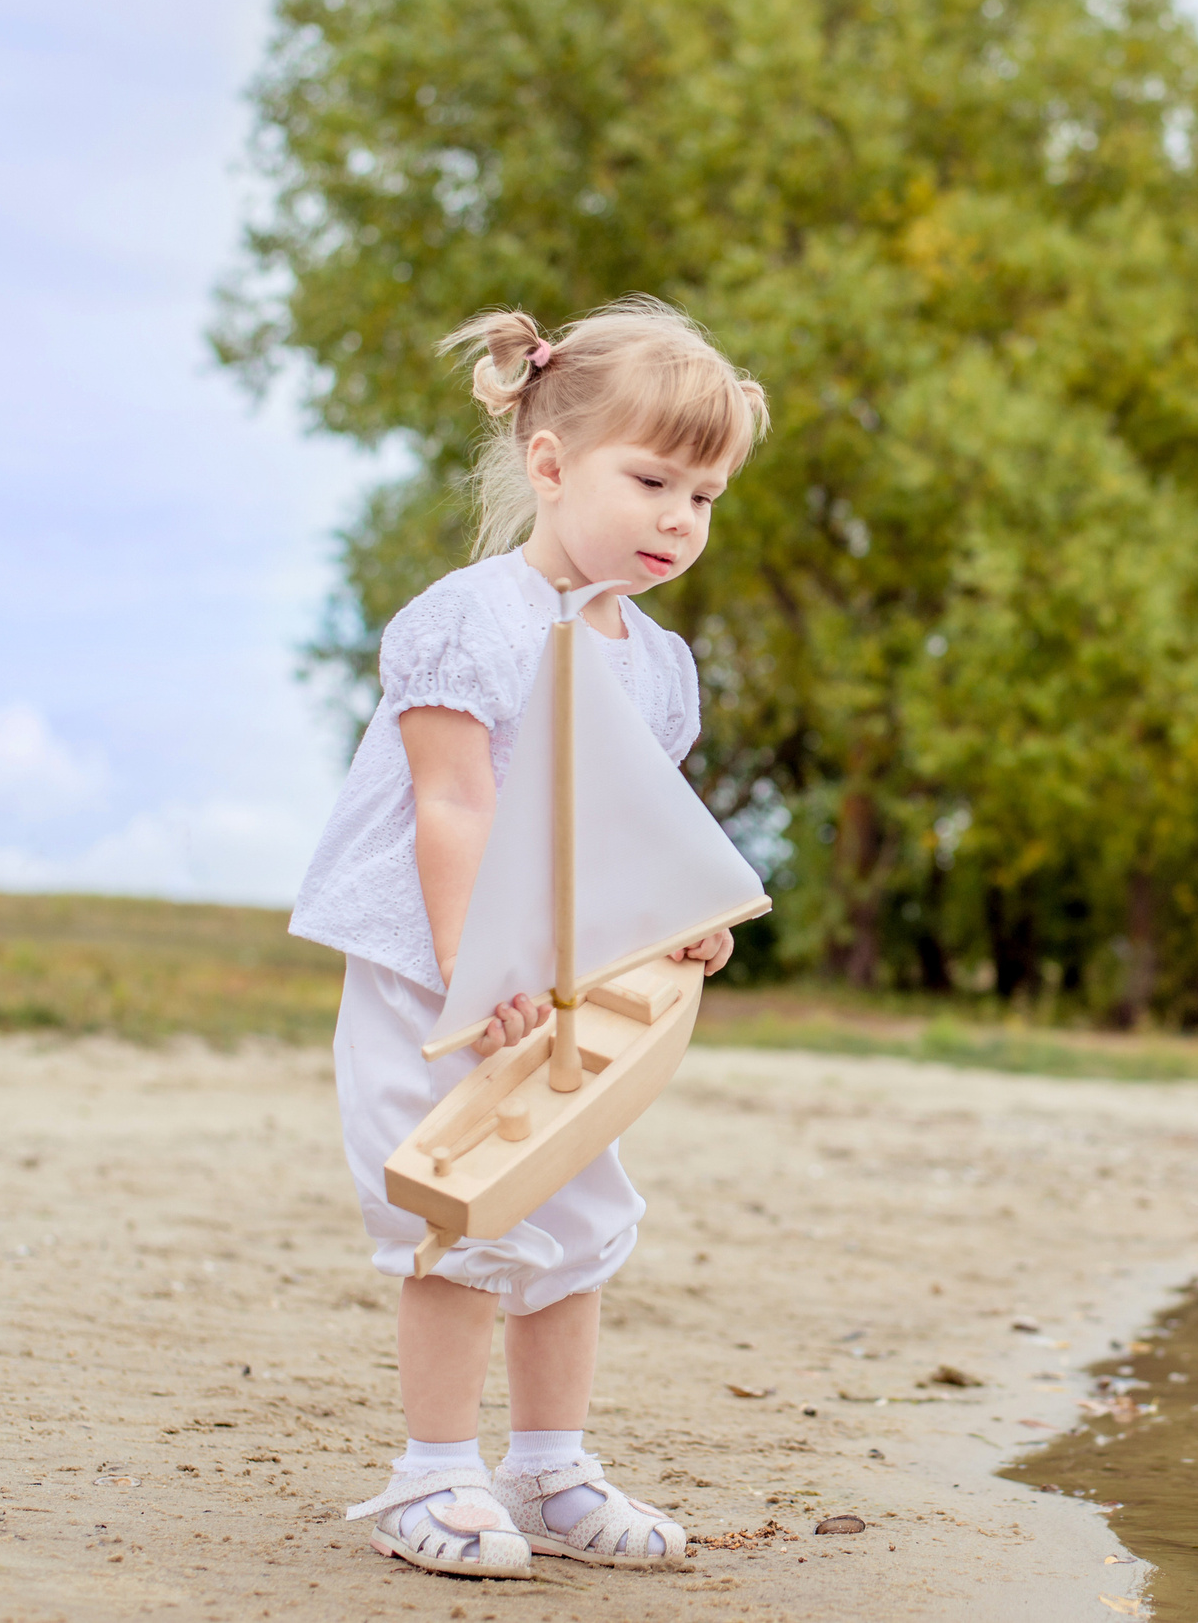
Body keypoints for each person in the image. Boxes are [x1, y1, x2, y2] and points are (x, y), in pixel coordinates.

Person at [289, 297, 768, 1579]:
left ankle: (549, 1461)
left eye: (707, 495)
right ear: (551, 466)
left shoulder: (658, 663)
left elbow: (630, 822)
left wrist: (682, 925)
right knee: (464, 1207)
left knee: (573, 1212)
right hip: (436, 969)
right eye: (654, 478)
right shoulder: (469, 618)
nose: (681, 517)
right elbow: (453, 805)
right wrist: (477, 974)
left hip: (570, 984)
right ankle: (430, 1472)